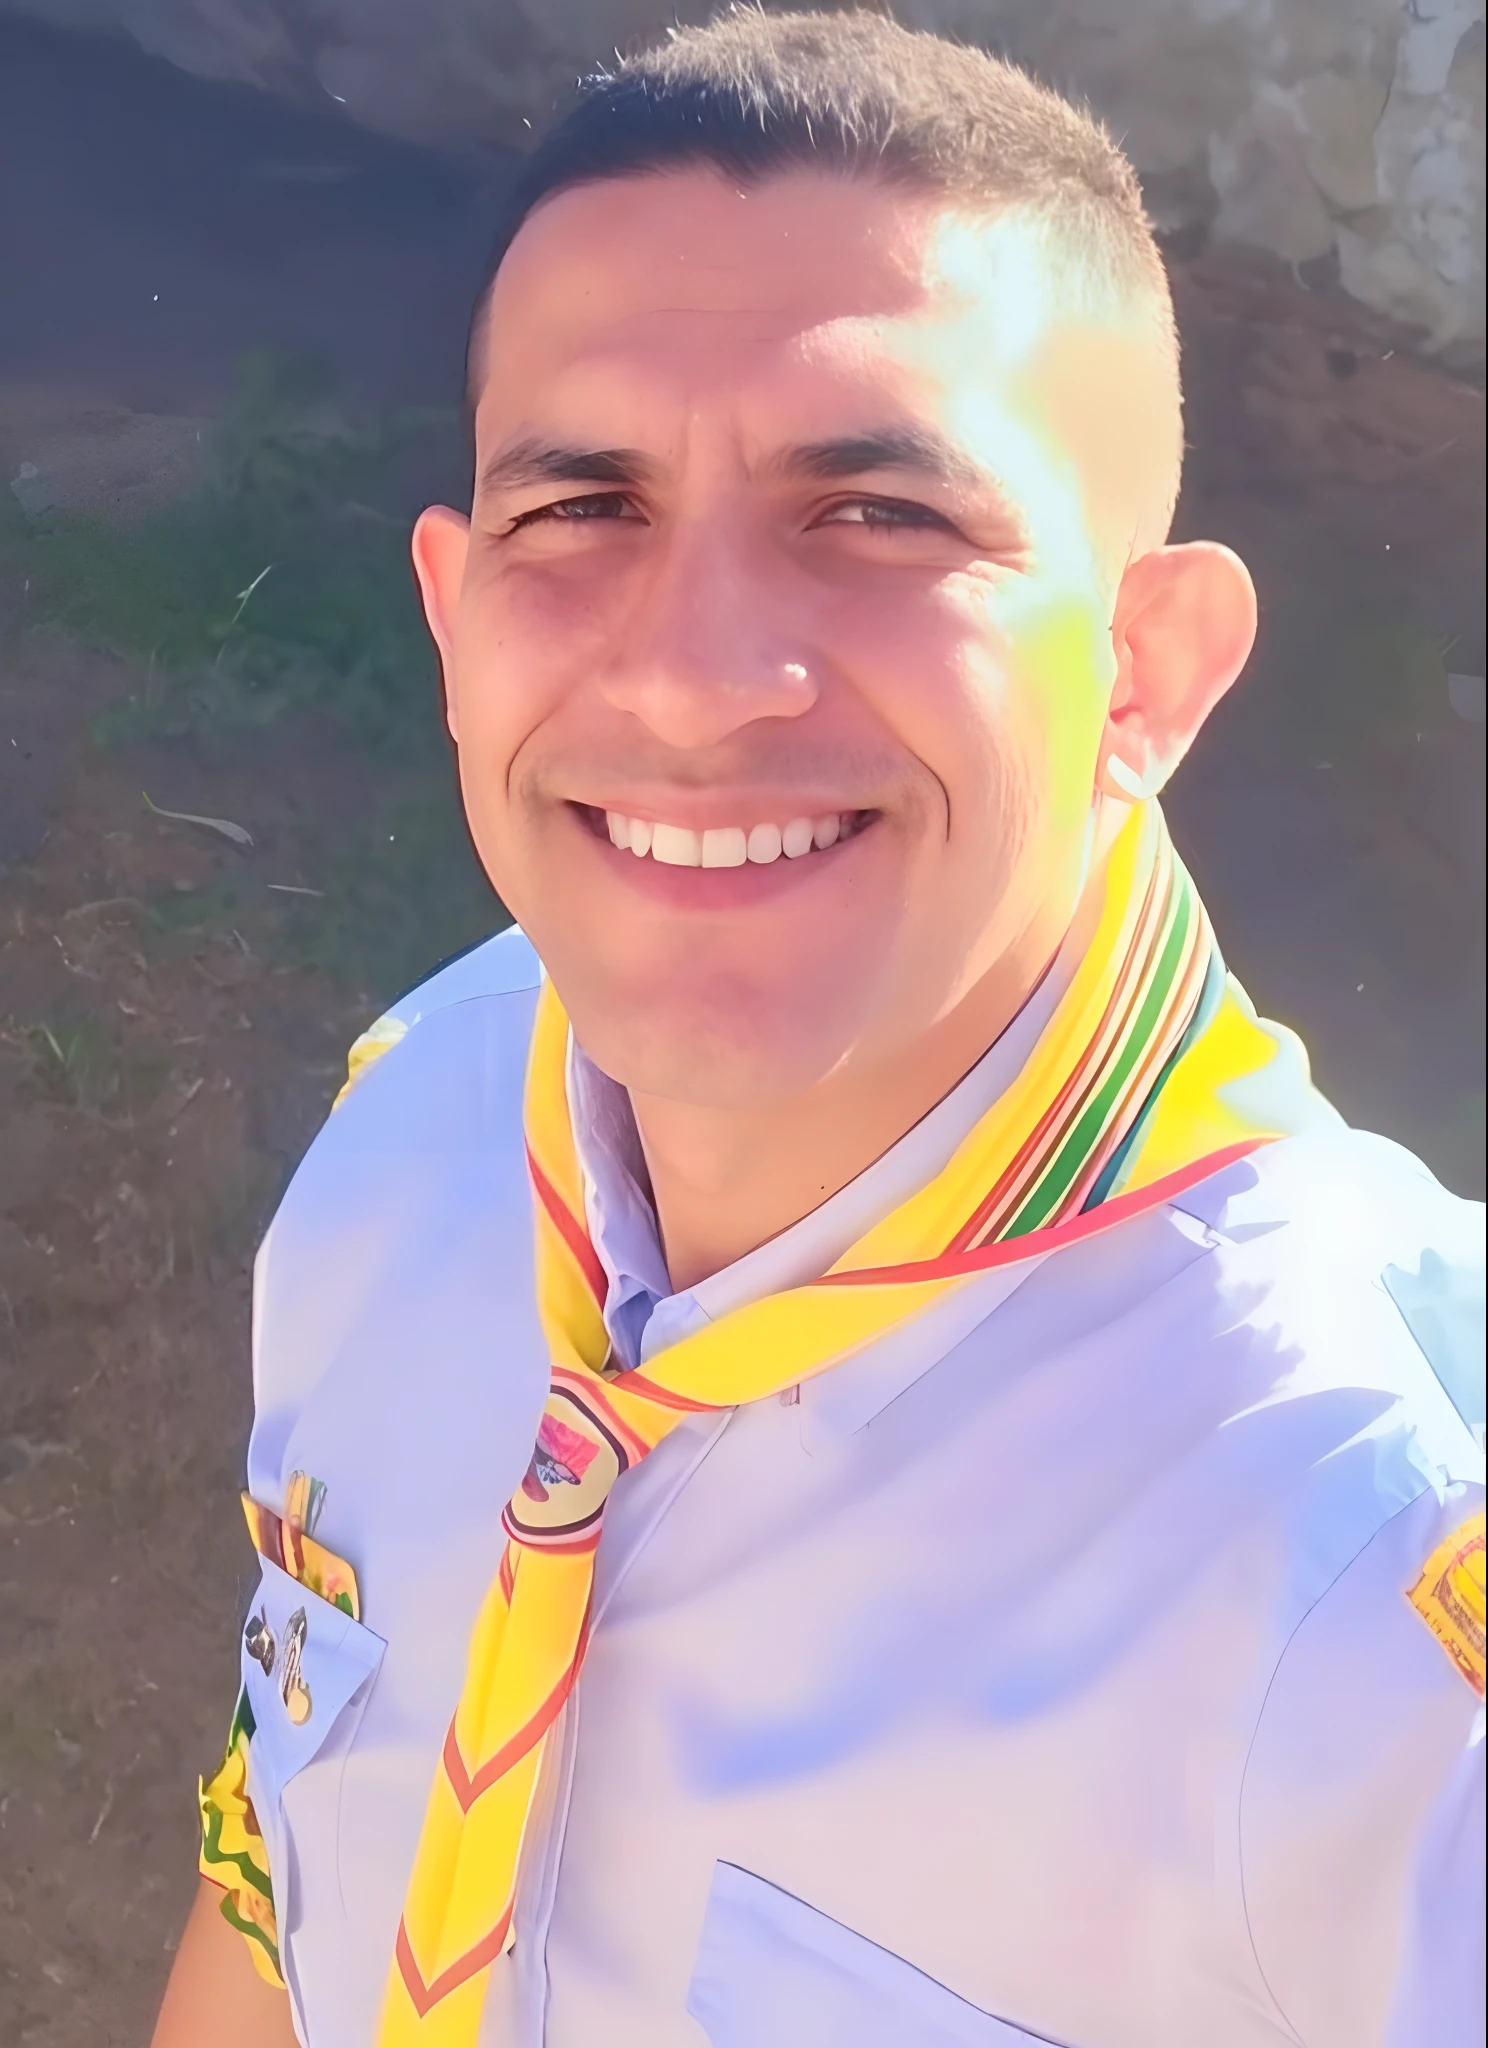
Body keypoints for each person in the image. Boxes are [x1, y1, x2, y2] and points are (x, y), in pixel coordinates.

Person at [151, 11, 1485, 2047]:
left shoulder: (1372, 1571)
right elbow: (285, 1874)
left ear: (1142, 671)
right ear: (449, 618)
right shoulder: (419, 1134)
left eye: (878, 517)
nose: (695, 681)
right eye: (579, 507)